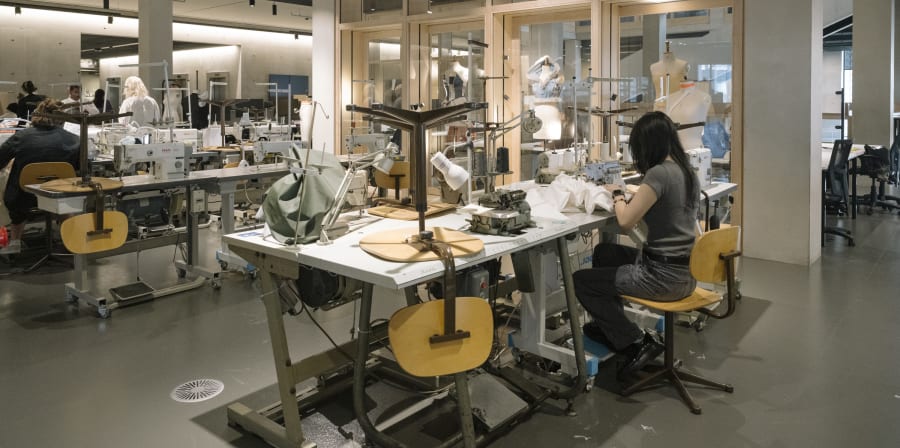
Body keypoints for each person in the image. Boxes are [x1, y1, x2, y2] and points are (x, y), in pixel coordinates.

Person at [574, 111, 700, 379]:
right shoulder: (686, 171)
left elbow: (625, 222)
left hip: (661, 278)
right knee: (604, 252)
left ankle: (634, 341)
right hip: (687, 273)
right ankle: (612, 326)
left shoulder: (659, 174)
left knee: (581, 281)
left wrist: (618, 194)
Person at [0, 99, 80, 254]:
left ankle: (15, 241)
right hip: (59, 195)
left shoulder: (21, 137)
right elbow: (79, 169)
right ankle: (72, 239)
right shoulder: (73, 139)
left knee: (11, 184)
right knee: (64, 197)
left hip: (24, 198)